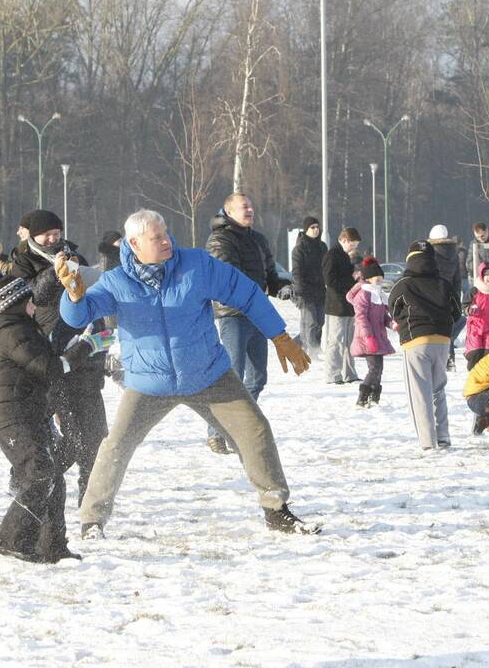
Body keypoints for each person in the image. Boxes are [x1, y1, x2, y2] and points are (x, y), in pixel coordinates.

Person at [58, 209, 318, 538]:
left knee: (254, 430)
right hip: (148, 382)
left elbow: (247, 293)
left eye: (166, 233)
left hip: (207, 373)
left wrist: (279, 335)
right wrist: (74, 295)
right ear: (135, 244)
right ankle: (91, 520)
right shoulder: (116, 282)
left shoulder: (196, 265)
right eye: (157, 238)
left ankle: (276, 510)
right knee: (116, 446)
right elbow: (78, 315)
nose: (167, 240)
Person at [0, 275, 95, 563]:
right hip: (14, 416)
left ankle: (51, 545)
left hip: (30, 413)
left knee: (53, 476)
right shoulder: (13, 332)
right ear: (16, 304)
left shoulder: (22, 329)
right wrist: (84, 348)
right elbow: (48, 367)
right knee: (39, 473)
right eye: (29, 301)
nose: (34, 305)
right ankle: (10, 539)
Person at [11, 209, 109, 502]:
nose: (53, 239)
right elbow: (30, 298)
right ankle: (31, 479)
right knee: (72, 436)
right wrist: (54, 273)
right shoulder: (22, 262)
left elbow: (92, 292)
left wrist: (100, 339)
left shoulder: (73, 254)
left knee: (96, 434)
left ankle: (88, 497)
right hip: (50, 356)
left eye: (57, 233)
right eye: (47, 234)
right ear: (32, 235)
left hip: (86, 349)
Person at [204, 194, 283, 454]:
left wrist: (283, 286)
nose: (250, 210)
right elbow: (229, 278)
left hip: (257, 314)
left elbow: (269, 273)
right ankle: (216, 432)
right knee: (232, 375)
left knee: (258, 377)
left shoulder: (258, 239)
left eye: (251, 206)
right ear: (228, 211)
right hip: (234, 314)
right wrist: (255, 296)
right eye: (244, 207)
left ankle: (237, 425)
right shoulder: (220, 240)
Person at [388, 240, 462, 450]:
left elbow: (393, 308)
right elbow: (457, 311)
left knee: (420, 393)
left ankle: (428, 443)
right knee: (439, 390)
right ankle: (443, 437)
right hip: (442, 341)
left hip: (416, 340)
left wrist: (404, 323)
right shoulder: (443, 284)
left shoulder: (404, 284)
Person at [347, 256, 394, 408]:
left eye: (381, 276)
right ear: (368, 278)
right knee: (374, 369)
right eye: (375, 276)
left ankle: (374, 398)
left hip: (378, 337)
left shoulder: (378, 293)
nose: (379, 279)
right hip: (367, 338)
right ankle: (362, 397)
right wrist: (368, 336)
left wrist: (391, 323)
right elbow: (361, 316)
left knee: (379, 369)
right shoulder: (364, 293)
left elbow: (383, 316)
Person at [322, 228, 362, 385]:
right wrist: (351, 283)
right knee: (336, 341)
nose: (354, 247)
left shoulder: (345, 256)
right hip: (336, 305)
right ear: (344, 240)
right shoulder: (331, 255)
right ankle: (333, 374)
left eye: (356, 244)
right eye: (353, 244)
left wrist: (354, 279)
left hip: (348, 305)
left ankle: (349, 374)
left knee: (349, 341)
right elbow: (330, 281)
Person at [428, 224, 463, 370]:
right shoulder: (453, 253)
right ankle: (449, 357)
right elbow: (457, 278)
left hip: (433, 293)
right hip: (449, 294)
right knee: (447, 328)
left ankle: (435, 359)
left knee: (432, 328)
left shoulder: (430, 253)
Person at [292, 216, 327, 360]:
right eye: (312, 227)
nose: (316, 230)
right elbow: (297, 271)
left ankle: (297, 344)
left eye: (317, 227)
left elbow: (326, 267)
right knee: (311, 321)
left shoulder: (322, 246)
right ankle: (311, 350)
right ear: (306, 230)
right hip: (305, 291)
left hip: (320, 290)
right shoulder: (299, 248)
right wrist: (300, 291)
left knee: (320, 321)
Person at [464, 262, 489, 371]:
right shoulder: (475, 291)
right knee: (476, 352)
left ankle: (485, 376)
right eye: (487, 275)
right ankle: (473, 374)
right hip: (475, 327)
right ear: (482, 276)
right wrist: (470, 309)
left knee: (488, 353)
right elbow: (464, 305)